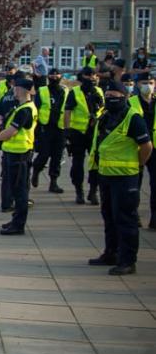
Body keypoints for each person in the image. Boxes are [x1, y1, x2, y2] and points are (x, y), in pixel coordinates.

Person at [87, 81, 153, 275]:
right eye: (108, 95)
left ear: (124, 96)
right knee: (109, 217)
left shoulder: (133, 118)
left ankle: (128, 260)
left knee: (126, 220)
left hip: (125, 178)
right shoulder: (105, 116)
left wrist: (138, 165)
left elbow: (146, 147)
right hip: (105, 175)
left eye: (115, 95)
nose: (110, 98)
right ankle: (111, 253)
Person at [0, 77, 37, 235]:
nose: (14, 91)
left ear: (21, 90)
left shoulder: (25, 110)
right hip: (14, 153)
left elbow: (11, 131)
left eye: (16, 88)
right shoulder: (21, 108)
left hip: (19, 154)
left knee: (20, 191)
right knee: (15, 188)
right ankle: (15, 219)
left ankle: (18, 225)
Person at [64, 67, 104, 204]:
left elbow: (104, 109)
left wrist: (99, 106)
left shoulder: (98, 91)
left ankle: (93, 191)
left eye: (93, 75)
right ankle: (79, 191)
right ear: (83, 77)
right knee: (77, 163)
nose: (91, 78)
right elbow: (68, 111)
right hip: (78, 133)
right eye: (88, 75)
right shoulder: (74, 92)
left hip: (95, 132)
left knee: (95, 163)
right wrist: (67, 130)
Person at [31, 68, 67, 194]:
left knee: (57, 157)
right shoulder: (42, 90)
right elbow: (36, 108)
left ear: (61, 76)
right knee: (44, 154)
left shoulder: (65, 91)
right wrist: (35, 129)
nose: (54, 76)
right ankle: (36, 170)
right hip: (45, 127)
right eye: (52, 74)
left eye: (57, 74)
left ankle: (53, 182)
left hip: (60, 128)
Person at [134, 74, 156, 229]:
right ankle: (134, 215)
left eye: (150, 82)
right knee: (135, 184)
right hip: (136, 149)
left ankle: (154, 217)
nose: (147, 85)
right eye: (144, 82)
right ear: (137, 84)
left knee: (155, 185)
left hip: (155, 149)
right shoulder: (131, 103)